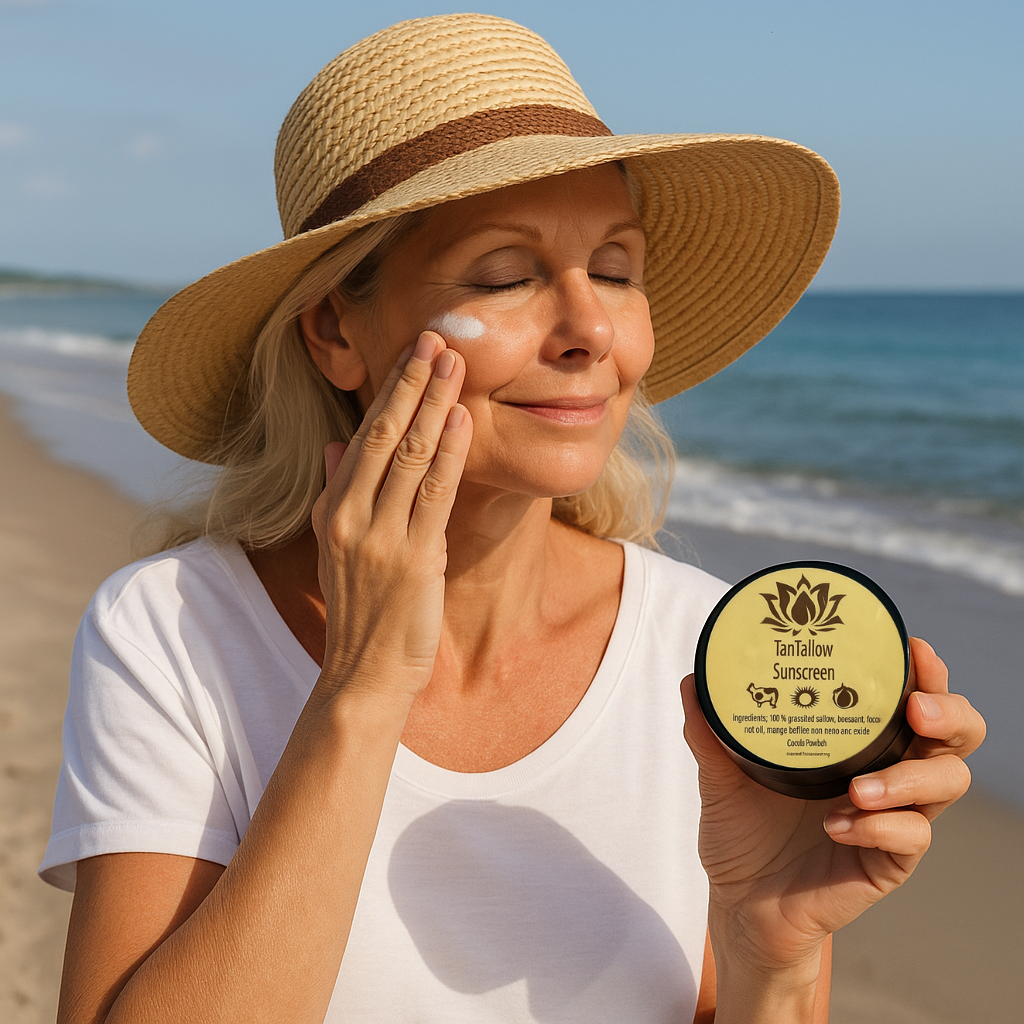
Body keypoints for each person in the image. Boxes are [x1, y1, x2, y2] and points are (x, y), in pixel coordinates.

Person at [41, 14, 984, 1024]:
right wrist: (361, 687)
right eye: (504, 276)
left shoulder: (710, 658)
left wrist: (776, 955)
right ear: (335, 332)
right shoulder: (176, 632)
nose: (588, 330)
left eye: (616, 270)